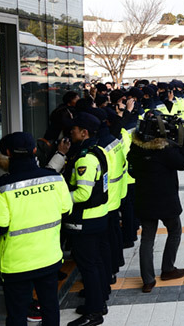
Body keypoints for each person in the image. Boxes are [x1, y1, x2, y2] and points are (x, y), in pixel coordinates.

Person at [0, 132, 72, 326]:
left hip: (16, 263)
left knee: (17, 313)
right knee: (50, 307)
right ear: (35, 150)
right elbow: (66, 210)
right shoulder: (54, 178)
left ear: (8, 153)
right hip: (49, 257)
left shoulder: (1, 187)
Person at [127, 111, 184, 293]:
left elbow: (132, 172)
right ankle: (168, 269)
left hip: (144, 199)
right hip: (166, 200)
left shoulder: (136, 148)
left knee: (147, 238)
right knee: (175, 230)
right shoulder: (164, 150)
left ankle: (148, 280)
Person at [64, 113, 111, 326]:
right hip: (99, 216)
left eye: (73, 130)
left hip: (85, 220)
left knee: (89, 266)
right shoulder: (98, 150)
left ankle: (94, 312)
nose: (70, 133)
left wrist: (60, 199)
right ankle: (99, 303)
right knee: (97, 262)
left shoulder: (85, 158)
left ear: (84, 132)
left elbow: (83, 194)